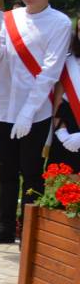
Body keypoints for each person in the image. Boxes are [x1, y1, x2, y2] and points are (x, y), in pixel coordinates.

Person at [0, 0, 71, 245]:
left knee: (31, 173)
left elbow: (50, 71)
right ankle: (5, 227)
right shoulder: (9, 18)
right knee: (6, 171)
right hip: (3, 107)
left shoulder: (60, 23)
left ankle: (29, 231)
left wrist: (28, 112)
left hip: (35, 111)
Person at [48, 16, 80, 172]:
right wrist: (61, 132)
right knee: (64, 178)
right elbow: (58, 100)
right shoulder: (67, 62)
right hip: (69, 127)